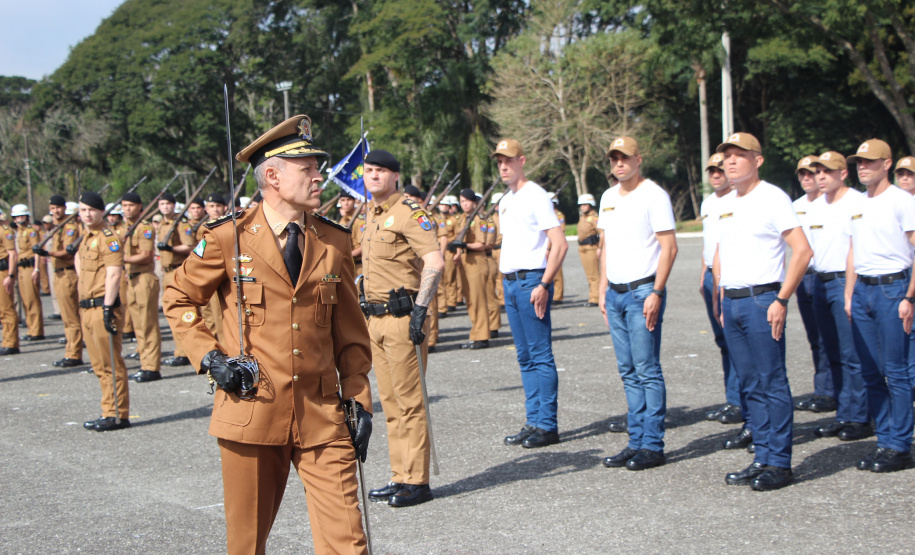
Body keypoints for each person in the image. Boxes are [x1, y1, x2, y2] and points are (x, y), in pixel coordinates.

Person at [163, 115, 373, 554]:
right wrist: (211, 358)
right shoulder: (229, 238)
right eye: (307, 168)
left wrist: (359, 398)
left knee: (348, 541)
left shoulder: (334, 241)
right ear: (273, 177)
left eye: (317, 167)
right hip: (252, 411)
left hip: (323, 416)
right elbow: (178, 297)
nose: (318, 176)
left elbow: (350, 334)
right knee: (247, 543)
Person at [714, 132, 812, 491]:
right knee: (749, 383)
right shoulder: (727, 201)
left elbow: (802, 250)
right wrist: (721, 296)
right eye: (727, 155)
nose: (731, 161)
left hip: (762, 300)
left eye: (740, 155)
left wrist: (782, 299)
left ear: (758, 160)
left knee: (772, 381)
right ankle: (762, 455)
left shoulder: (772, 197)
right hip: (732, 301)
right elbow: (723, 251)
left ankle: (780, 463)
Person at [361, 149, 444, 507]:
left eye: (381, 170)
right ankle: (400, 474)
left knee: (411, 403)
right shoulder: (371, 213)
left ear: (395, 176)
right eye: (369, 170)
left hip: (402, 320)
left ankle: (418, 481)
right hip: (375, 319)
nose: (373, 175)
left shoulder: (410, 213)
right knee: (391, 404)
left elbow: (434, 261)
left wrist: (421, 309)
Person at [597, 136, 678, 471]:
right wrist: (602, 289)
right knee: (628, 371)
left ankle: (653, 445)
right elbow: (605, 245)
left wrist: (657, 292)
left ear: (638, 160)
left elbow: (669, 247)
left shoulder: (653, 195)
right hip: (615, 293)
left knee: (646, 369)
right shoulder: (607, 197)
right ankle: (635, 440)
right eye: (614, 158)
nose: (619, 164)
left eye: (625, 158)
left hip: (642, 292)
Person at [845, 138, 915, 473]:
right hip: (863, 289)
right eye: (859, 162)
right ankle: (884, 440)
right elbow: (852, 249)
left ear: (887, 164)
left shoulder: (901, 200)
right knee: (870, 370)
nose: (862, 167)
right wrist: (849, 293)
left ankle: (899, 446)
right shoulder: (856, 203)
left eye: (869, 161)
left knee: (895, 371)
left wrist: (909, 297)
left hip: (893, 288)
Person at [495, 138, 568, 449]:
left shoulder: (536, 196)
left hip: (531, 282)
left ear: (522, 161)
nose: (503, 166)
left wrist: (545, 284)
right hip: (511, 282)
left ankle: (547, 425)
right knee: (524, 356)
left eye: (508, 160)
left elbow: (560, 244)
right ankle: (533, 420)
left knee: (540, 355)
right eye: (499, 161)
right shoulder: (505, 200)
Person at [806, 151, 871, 441]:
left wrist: (849, 292)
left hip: (846, 280)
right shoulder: (815, 206)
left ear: (843, 174)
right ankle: (843, 413)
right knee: (831, 350)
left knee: (852, 353)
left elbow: (858, 248)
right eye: (817, 171)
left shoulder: (857, 202)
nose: (820, 177)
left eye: (827, 171)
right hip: (820, 281)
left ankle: (860, 417)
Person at [76, 191, 130, 432]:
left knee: (110, 362)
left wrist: (108, 307)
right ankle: (107, 410)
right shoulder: (86, 237)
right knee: (98, 365)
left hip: (103, 305)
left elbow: (114, 273)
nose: (87, 214)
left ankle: (117, 414)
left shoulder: (109, 238)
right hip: (87, 306)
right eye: (83, 210)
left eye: (91, 210)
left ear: (101, 212)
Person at [698, 153, 743, 425]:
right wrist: (703, 275)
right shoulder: (708, 203)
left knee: (736, 341)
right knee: (723, 342)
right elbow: (708, 243)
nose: (716, 175)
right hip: (710, 274)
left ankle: (741, 401)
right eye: (712, 171)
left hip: (729, 275)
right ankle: (732, 398)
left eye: (720, 170)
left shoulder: (737, 199)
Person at [792, 156, 836, 413]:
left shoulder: (828, 204)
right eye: (802, 174)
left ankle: (830, 391)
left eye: (811, 173)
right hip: (803, 275)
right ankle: (822, 389)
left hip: (824, 275)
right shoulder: (795, 206)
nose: (807, 178)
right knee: (814, 336)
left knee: (830, 335)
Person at [119, 192, 163, 383]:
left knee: (148, 324)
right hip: (130, 279)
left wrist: (121, 259)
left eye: (131, 205)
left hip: (144, 278)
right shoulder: (124, 228)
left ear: (139, 207)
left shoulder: (144, 227)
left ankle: (152, 367)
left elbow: (146, 255)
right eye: (124, 205)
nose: (127, 209)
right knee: (137, 325)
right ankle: (144, 364)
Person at [39, 195, 83, 367]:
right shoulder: (57, 227)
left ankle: (74, 354)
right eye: (53, 208)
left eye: (58, 207)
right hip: (58, 274)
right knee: (66, 316)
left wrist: (48, 253)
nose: (56, 211)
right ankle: (70, 350)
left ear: (64, 208)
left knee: (71, 317)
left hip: (67, 273)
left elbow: (68, 251)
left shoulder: (69, 227)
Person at [156, 192, 195, 366]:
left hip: (178, 270)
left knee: (182, 313)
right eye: (162, 204)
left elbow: (189, 246)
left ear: (174, 206)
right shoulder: (162, 225)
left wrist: (171, 248)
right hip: (166, 272)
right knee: (171, 313)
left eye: (168, 204)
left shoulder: (181, 224)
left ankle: (185, 352)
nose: (165, 207)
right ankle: (179, 350)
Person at [453, 188, 493, 349]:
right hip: (464, 261)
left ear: (474, 203)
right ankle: (475, 334)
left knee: (478, 299)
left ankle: (482, 336)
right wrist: (457, 252)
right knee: (469, 299)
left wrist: (465, 245)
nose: (464, 204)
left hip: (477, 260)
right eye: (462, 201)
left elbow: (482, 244)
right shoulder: (462, 218)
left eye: (467, 201)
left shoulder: (479, 220)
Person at [893, 156, 915, 393]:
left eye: (910, 174)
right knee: (906, 328)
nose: (905, 178)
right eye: (901, 174)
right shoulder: (895, 202)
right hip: (903, 271)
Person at [196, 192, 228, 346]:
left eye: (218, 206)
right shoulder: (202, 227)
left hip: (223, 277)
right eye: (212, 206)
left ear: (224, 208)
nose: (215, 209)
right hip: (205, 277)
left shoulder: (228, 225)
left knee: (222, 318)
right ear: (206, 209)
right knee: (208, 318)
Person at [12, 204, 44, 340]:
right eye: (17, 216)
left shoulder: (31, 231)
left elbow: (36, 251)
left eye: (22, 216)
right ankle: (31, 329)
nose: (20, 219)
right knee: (25, 299)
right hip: (21, 267)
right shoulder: (19, 232)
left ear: (27, 217)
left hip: (30, 267)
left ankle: (37, 331)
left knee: (32, 299)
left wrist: (36, 269)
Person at [0, 212, 19, 356]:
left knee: (6, 308)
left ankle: (11, 343)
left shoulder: (5, 231)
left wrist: (10, 275)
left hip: (3, 271)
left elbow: (12, 254)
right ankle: (6, 340)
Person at [577, 194, 600, 307]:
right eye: (581, 205)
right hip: (582, 248)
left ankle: (596, 298)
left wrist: (600, 247)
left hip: (591, 247)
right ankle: (592, 296)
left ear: (591, 205)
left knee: (594, 274)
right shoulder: (583, 217)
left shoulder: (594, 217)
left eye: (585, 204)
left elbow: (601, 233)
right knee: (589, 274)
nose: (583, 207)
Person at [547, 193, 566, 303]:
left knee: (557, 272)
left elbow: (560, 232)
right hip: (545, 248)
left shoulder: (558, 215)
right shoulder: (546, 214)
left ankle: (558, 296)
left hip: (554, 246)